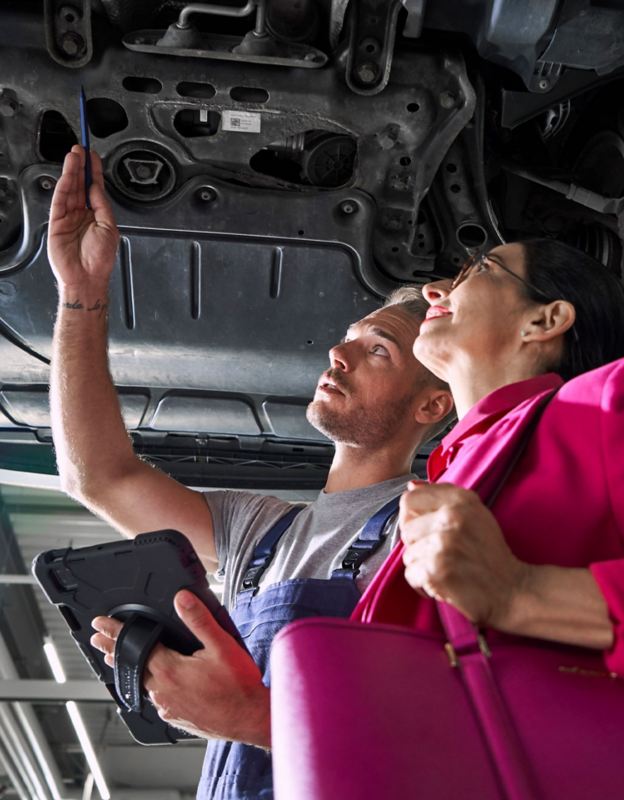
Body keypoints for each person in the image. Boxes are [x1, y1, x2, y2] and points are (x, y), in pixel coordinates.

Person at [46, 145, 453, 799]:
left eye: (376, 350)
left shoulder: (435, 527)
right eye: (347, 336)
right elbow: (100, 476)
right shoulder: (260, 534)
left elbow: (448, 746)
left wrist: (254, 720)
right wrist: (82, 293)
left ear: (432, 404)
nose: (339, 352)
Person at [353, 238, 624, 693]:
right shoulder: (451, 468)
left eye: (480, 270)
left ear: (544, 320)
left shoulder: (609, 402)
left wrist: (522, 592)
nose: (432, 291)